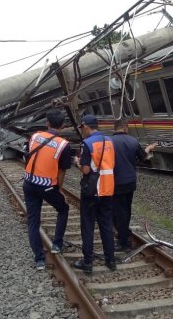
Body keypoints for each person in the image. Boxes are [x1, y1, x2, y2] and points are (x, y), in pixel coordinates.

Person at [22, 110, 72, 270]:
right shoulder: (63, 145)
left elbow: (29, 154)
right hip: (47, 186)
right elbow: (61, 171)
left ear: (47, 123)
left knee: (33, 221)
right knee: (63, 208)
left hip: (29, 183)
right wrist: (60, 190)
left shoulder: (35, 136)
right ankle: (57, 244)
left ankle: (39, 260)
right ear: (63, 125)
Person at [73, 114, 116, 274]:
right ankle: (110, 261)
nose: (81, 131)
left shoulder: (87, 143)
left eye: (81, 128)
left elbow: (85, 169)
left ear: (85, 126)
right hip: (108, 187)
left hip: (92, 190)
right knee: (106, 225)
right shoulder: (109, 141)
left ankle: (88, 262)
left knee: (88, 225)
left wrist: (77, 163)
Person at [110, 119, 156, 252]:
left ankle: (123, 241)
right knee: (126, 210)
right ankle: (123, 236)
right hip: (129, 182)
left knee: (117, 211)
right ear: (125, 128)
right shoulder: (133, 141)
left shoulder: (108, 142)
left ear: (115, 128)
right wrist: (148, 148)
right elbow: (143, 159)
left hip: (114, 181)